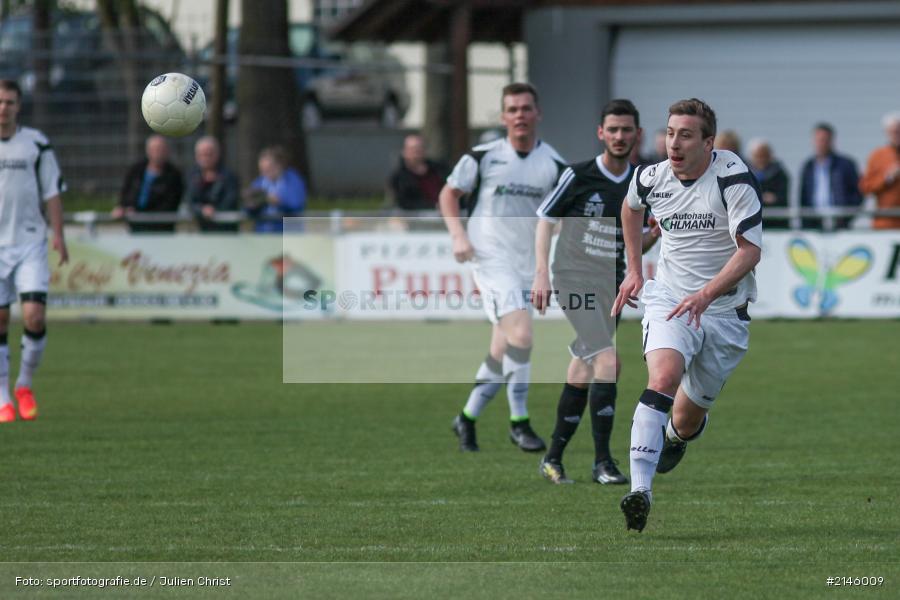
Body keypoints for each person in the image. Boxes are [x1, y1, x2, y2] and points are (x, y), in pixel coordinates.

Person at [612, 98, 762, 532]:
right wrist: (635, 271)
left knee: (686, 419)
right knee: (662, 377)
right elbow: (630, 208)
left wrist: (707, 294)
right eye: (671, 132)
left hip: (723, 311)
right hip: (671, 299)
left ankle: (677, 436)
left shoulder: (732, 178)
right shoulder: (650, 176)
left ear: (709, 142)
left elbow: (750, 250)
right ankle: (640, 491)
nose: (674, 143)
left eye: (686, 135)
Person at [532, 99, 659, 485]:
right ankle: (604, 462)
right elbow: (545, 219)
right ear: (600, 133)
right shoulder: (578, 175)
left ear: (637, 135)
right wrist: (541, 272)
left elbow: (634, 244)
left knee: (583, 368)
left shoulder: (644, 182)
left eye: (627, 130)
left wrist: (653, 236)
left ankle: (553, 458)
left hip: (613, 286)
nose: (620, 137)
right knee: (609, 363)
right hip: (572, 279)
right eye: (613, 130)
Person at [440, 82, 566, 453]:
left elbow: (559, 214)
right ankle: (520, 422)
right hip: (491, 257)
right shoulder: (483, 156)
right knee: (523, 335)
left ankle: (467, 417)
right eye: (512, 109)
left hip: (529, 262)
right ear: (503, 116)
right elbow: (449, 193)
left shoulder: (554, 164)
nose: (520, 116)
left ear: (537, 114)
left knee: (502, 348)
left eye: (526, 108)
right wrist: (458, 236)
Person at [0, 80, 68, 422]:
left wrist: (59, 234)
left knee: (34, 316)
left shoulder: (36, 143)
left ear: (19, 106)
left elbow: (52, 192)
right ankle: (1, 398)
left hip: (29, 242)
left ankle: (24, 385)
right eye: (0, 102)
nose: (3, 108)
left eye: (10, 102)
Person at [112, 135, 184, 233]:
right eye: (154, 149)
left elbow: (171, 203)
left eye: (160, 149)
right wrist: (123, 207)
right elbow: (126, 192)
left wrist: (140, 214)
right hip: (135, 226)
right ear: (148, 151)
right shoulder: (136, 170)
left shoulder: (174, 175)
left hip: (161, 229)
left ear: (167, 151)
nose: (157, 153)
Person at [799, 123, 861, 230]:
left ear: (832, 141)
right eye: (819, 140)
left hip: (839, 221)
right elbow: (803, 196)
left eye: (825, 140)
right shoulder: (808, 167)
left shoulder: (845, 165)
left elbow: (857, 194)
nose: (821, 143)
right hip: (814, 222)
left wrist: (847, 216)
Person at [245, 146, 307, 233]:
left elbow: (297, 205)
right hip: (264, 234)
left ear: (279, 165)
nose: (266, 174)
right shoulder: (259, 182)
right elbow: (248, 211)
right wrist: (251, 206)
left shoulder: (293, 180)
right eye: (263, 170)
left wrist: (279, 201)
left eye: (269, 169)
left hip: (287, 234)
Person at [187, 136, 241, 232]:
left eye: (209, 154)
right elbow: (190, 201)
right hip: (203, 231)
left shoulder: (229, 177)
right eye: (202, 155)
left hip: (226, 231)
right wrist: (202, 210)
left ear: (217, 154)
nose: (206, 158)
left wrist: (214, 210)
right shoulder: (193, 177)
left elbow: (231, 200)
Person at [859, 111, 900, 229]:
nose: (896, 135)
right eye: (893, 132)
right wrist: (887, 178)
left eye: (898, 131)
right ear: (886, 133)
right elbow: (865, 187)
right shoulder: (877, 156)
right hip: (885, 222)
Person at [387, 134, 447, 211]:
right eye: (413, 149)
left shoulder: (439, 170)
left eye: (420, 148)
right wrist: (433, 206)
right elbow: (405, 203)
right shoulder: (398, 178)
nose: (417, 152)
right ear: (404, 152)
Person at [747, 138, 790, 230]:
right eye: (758, 156)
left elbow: (782, 199)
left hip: (776, 225)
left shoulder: (779, 173)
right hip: (753, 225)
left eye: (764, 156)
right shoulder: (746, 174)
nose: (761, 160)